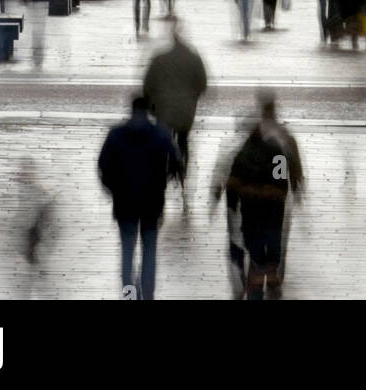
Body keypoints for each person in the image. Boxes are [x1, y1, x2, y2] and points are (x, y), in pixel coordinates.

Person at [98, 94, 182, 300]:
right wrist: (165, 181)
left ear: (132, 110)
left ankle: (129, 293)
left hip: (124, 200)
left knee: (127, 251)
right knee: (149, 249)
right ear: (148, 111)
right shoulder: (161, 135)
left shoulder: (116, 134)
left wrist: (112, 188)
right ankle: (147, 293)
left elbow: (103, 164)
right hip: (152, 200)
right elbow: (176, 163)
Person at [221, 94, 304, 300]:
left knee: (256, 257)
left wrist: (233, 205)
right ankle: (272, 279)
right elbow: (281, 184)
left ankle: (257, 287)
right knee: (273, 250)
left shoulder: (242, 153)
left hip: (251, 214)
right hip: (274, 213)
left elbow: (233, 184)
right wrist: (285, 194)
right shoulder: (277, 149)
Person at [143, 20, 208, 195]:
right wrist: (193, 97)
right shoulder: (194, 58)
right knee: (183, 139)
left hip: (163, 109)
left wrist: (150, 105)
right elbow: (202, 84)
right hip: (186, 110)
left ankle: (163, 173)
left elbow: (147, 85)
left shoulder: (160, 59)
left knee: (162, 141)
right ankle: (182, 169)